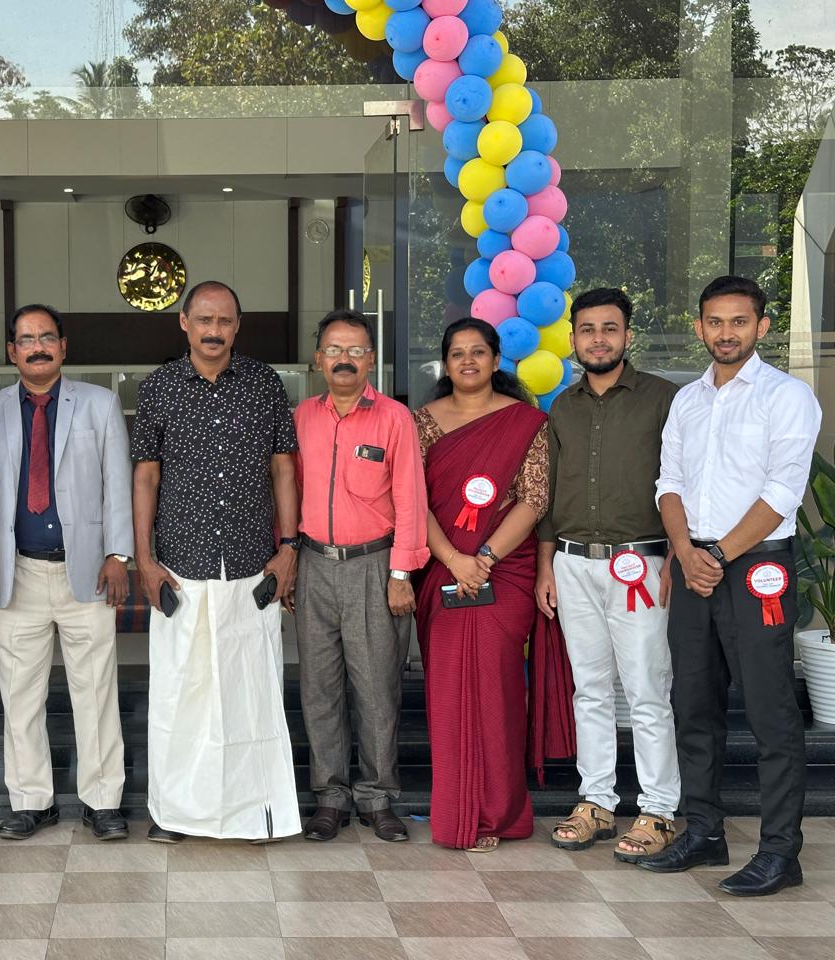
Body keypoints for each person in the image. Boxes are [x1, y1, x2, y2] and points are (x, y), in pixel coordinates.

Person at [644, 276, 820, 896]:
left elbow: (781, 492)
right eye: (715, 322)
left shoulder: (787, 396)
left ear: (762, 326)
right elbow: (667, 484)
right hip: (695, 566)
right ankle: (704, 831)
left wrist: (715, 553)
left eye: (738, 322)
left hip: (755, 569)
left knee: (771, 711)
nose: (726, 333)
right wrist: (687, 552)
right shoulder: (688, 401)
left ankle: (781, 852)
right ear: (699, 327)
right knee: (692, 705)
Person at [131, 280, 302, 843]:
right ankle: (177, 815)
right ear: (183, 322)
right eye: (203, 319)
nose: (213, 330)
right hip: (181, 568)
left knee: (249, 696)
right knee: (181, 698)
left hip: (252, 567)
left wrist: (288, 547)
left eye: (224, 321)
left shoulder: (263, 384)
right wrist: (145, 560)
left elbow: (283, 468)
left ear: (237, 325)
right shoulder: (158, 388)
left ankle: (256, 813)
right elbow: (146, 475)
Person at [0, 304, 132, 841]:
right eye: (25, 339)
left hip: (85, 573)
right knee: (20, 694)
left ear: (63, 345)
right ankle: (30, 801)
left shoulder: (100, 405)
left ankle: (103, 802)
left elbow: (118, 485)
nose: (36, 347)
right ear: (12, 351)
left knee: (96, 691)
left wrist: (119, 555)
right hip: (16, 574)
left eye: (46, 338)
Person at [534, 288, 682, 862]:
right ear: (572, 338)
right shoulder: (562, 407)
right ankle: (596, 801)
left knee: (647, 689)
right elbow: (551, 494)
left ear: (627, 335)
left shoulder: (663, 399)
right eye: (588, 329)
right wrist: (547, 565)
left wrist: (675, 552)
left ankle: (658, 810)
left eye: (610, 328)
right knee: (589, 689)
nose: (598, 338)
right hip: (573, 563)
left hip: (639, 565)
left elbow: (681, 480)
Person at [291, 309, 429, 842]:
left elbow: (411, 500)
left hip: (375, 565)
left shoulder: (395, 418)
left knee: (376, 688)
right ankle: (329, 797)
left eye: (355, 350)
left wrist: (401, 573)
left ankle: (376, 797)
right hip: (313, 565)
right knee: (320, 689)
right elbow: (287, 492)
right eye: (333, 349)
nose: (344, 359)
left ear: (371, 358)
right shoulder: (301, 416)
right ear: (318, 358)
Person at [413, 318, 550, 852]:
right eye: (456, 354)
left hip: (504, 574)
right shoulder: (420, 422)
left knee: (498, 692)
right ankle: (458, 815)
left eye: (478, 352)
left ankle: (500, 813)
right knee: (448, 691)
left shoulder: (526, 422)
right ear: (445, 365)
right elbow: (411, 500)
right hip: (441, 573)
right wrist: (452, 558)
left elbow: (534, 499)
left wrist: (485, 558)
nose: (467, 361)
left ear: (497, 360)